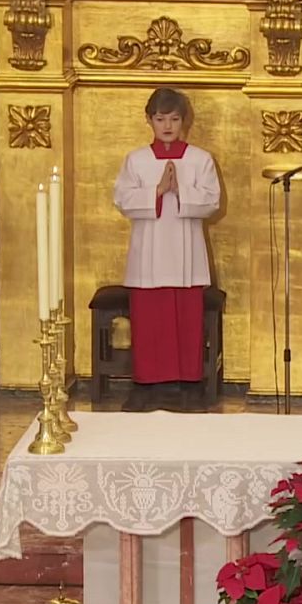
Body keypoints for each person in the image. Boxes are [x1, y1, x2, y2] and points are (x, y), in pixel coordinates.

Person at [113, 88, 221, 411]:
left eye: (174, 119)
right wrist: (156, 191)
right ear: (150, 120)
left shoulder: (200, 159)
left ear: (183, 121)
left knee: (186, 319)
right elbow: (122, 199)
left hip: (187, 250)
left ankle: (189, 383)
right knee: (149, 320)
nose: (168, 126)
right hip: (149, 250)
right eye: (161, 119)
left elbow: (212, 201)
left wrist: (182, 191)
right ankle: (145, 384)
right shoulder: (137, 159)